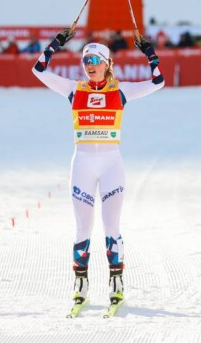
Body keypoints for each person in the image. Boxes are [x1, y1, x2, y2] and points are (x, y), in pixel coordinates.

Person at [32, 29, 164, 315]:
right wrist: (57, 43)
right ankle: (80, 289)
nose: (90, 66)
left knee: (112, 227)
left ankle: (116, 287)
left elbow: (158, 81)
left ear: (107, 64)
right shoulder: (73, 89)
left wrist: (149, 52)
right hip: (82, 164)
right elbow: (38, 69)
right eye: (86, 61)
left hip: (111, 165)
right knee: (83, 228)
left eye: (95, 60)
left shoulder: (121, 90)